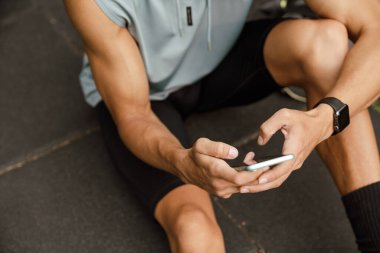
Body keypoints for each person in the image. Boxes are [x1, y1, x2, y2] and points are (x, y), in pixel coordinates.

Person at [64, 0, 380, 252]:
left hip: (221, 62)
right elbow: (134, 115)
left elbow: (376, 27)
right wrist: (181, 162)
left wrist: (323, 120)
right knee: (193, 228)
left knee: (326, 45)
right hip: (145, 95)